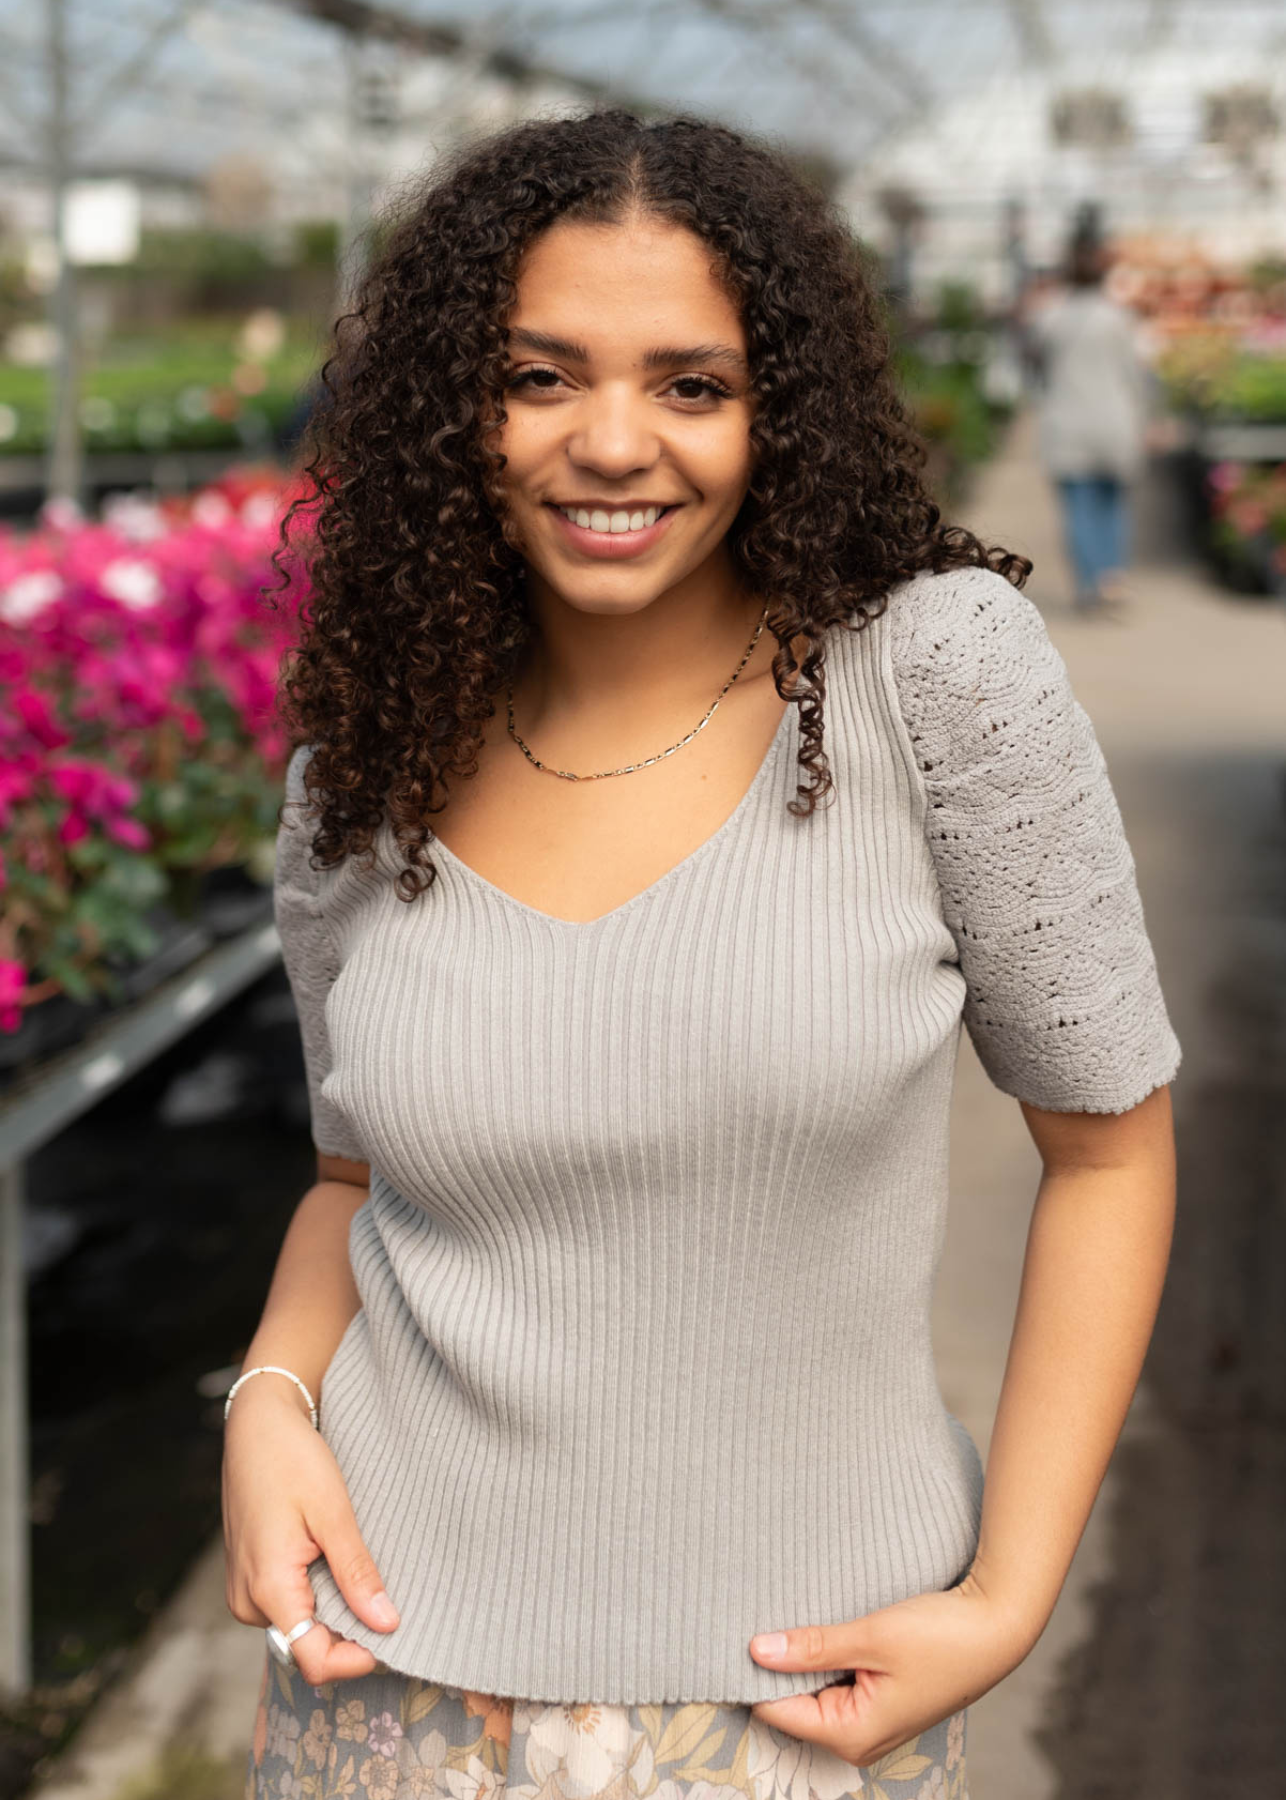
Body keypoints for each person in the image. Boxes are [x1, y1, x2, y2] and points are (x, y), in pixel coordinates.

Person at [223, 111, 1181, 1800]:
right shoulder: (363, 762)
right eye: (539, 376)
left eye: (690, 384)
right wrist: (267, 1404)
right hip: (377, 1679)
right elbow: (353, 1179)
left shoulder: (930, 682)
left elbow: (1107, 1153)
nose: (610, 444)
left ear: (779, 413)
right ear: (455, 407)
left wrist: (1009, 1596)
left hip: (800, 1703)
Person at [1025, 240, 1152, 614]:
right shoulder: (1119, 319)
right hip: (1114, 420)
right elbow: (1136, 374)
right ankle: (1112, 576)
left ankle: (1086, 583)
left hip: (1066, 422)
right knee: (1113, 502)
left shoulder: (1050, 318)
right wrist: (1148, 417)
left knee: (1078, 505)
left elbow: (1035, 369)